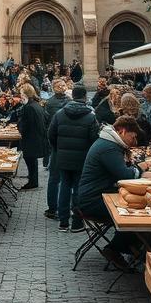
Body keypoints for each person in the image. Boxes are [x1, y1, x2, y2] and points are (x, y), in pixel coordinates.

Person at [76, 116, 143, 270]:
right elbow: (124, 175)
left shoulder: (108, 143)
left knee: (136, 207)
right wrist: (140, 169)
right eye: (132, 137)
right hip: (93, 201)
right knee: (134, 213)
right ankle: (115, 248)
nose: (134, 141)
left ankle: (129, 248)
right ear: (123, 131)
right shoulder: (109, 147)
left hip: (95, 196)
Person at [47, 83, 100, 230]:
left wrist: (58, 149)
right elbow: (94, 139)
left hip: (62, 157)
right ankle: (77, 222)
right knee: (78, 188)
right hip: (82, 158)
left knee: (64, 186)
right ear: (84, 97)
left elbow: (50, 135)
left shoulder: (59, 114)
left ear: (73, 96)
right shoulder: (90, 116)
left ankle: (63, 222)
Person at [17, 84, 47, 190]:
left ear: (25, 94)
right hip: (36, 137)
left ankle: (32, 182)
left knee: (30, 160)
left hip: (31, 138)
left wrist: (19, 127)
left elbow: (26, 124)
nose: (20, 95)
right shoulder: (36, 104)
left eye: (21, 93)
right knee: (31, 160)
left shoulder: (29, 107)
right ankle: (33, 180)